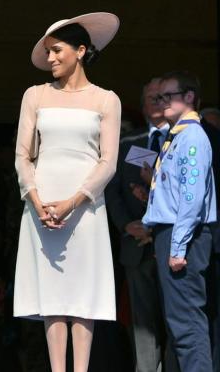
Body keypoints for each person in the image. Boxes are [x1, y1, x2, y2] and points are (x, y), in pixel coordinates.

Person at [14, 12, 121, 372]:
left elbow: (108, 162)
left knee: (83, 294)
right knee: (54, 294)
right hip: (42, 204)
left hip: (85, 206)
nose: (51, 58)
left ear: (80, 50)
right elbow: (22, 155)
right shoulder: (35, 95)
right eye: (47, 52)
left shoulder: (106, 99)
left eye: (57, 50)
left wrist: (75, 201)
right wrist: (36, 199)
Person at [142, 71, 217, 371]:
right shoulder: (178, 136)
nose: (162, 102)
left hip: (184, 234)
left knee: (187, 324)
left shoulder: (193, 136)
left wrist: (178, 246)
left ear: (188, 97)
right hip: (171, 232)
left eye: (168, 96)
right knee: (179, 322)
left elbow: (192, 197)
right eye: (158, 97)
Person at [104, 77, 174, 372]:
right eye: (152, 98)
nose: (157, 103)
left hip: (173, 246)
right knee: (142, 325)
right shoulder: (127, 145)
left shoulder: (186, 138)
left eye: (163, 97)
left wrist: (155, 224)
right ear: (143, 105)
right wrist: (126, 225)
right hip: (136, 245)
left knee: (177, 320)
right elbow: (112, 190)